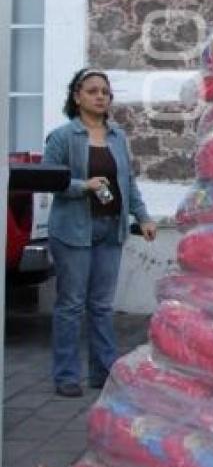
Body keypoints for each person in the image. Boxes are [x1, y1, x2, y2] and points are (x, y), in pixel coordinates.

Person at [45, 68, 156, 397]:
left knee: (102, 305)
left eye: (105, 92)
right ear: (77, 96)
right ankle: (66, 374)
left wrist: (144, 217)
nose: (100, 97)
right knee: (71, 304)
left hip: (111, 228)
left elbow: (128, 183)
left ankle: (103, 371)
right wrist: (84, 186)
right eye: (92, 91)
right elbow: (51, 180)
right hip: (73, 230)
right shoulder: (63, 137)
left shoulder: (117, 136)